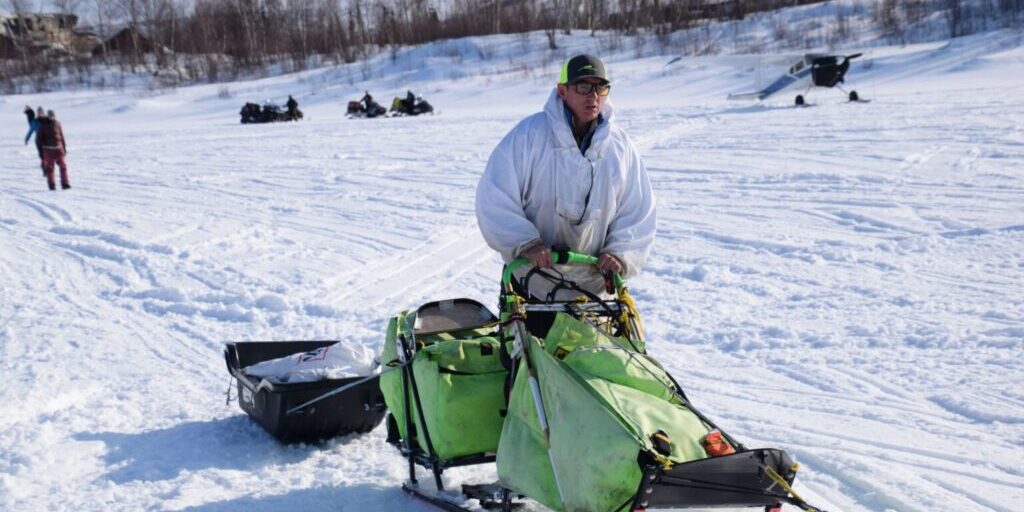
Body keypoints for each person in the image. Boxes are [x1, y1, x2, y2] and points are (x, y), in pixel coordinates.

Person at [475, 54, 656, 335]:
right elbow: (495, 197)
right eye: (583, 86)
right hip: (533, 286)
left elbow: (637, 210)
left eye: (600, 87)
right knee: (528, 373)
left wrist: (618, 254)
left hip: (595, 295)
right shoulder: (529, 136)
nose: (593, 96)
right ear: (563, 90)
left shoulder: (620, 148)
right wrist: (527, 244)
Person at [36, 109, 70, 191]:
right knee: (50, 168)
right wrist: (41, 152)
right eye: (50, 115)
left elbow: (61, 137)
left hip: (58, 148)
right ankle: (52, 185)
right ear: (48, 116)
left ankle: (65, 184)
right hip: (48, 150)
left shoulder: (58, 124)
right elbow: (39, 139)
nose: (52, 117)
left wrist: (64, 148)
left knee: (63, 166)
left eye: (53, 115)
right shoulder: (43, 125)